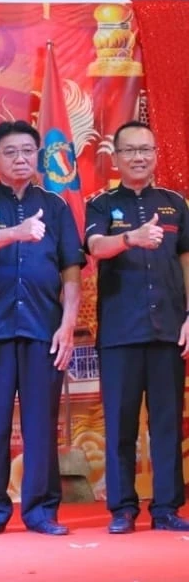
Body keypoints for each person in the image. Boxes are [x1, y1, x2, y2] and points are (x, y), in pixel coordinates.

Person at [0, 120, 84, 537]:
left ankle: (41, 512)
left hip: (43, 329)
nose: (20, 159)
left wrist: (68, 325)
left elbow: (71, 269)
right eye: (10, 152)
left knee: (40, 425)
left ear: (38, 157)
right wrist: (17, 232)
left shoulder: (56, 206)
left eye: (28, 151)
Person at [84, 120, 189, 534]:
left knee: (167, 423)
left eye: (146, 149)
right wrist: (130, 238)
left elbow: (185, 261)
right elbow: (96, 247)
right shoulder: (101, 204)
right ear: (116, 157)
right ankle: (123, 508)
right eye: (130, 150)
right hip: (119, 331)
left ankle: (166, 508)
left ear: (156, 154)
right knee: (120, 423)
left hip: (167, 330)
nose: (139, 157)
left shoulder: (176, 203)